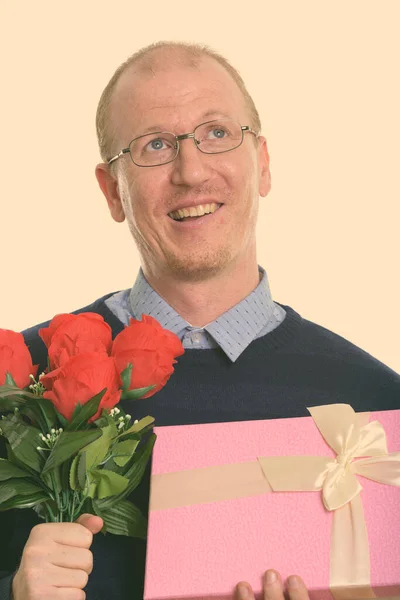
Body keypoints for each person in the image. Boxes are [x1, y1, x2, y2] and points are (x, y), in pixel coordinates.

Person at [1, 40, 399, 600]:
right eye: (155, 145)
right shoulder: (22, 381)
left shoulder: (377, 410)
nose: (190, 171)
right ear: (111, 190)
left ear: (262, 162)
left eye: (216, 133)